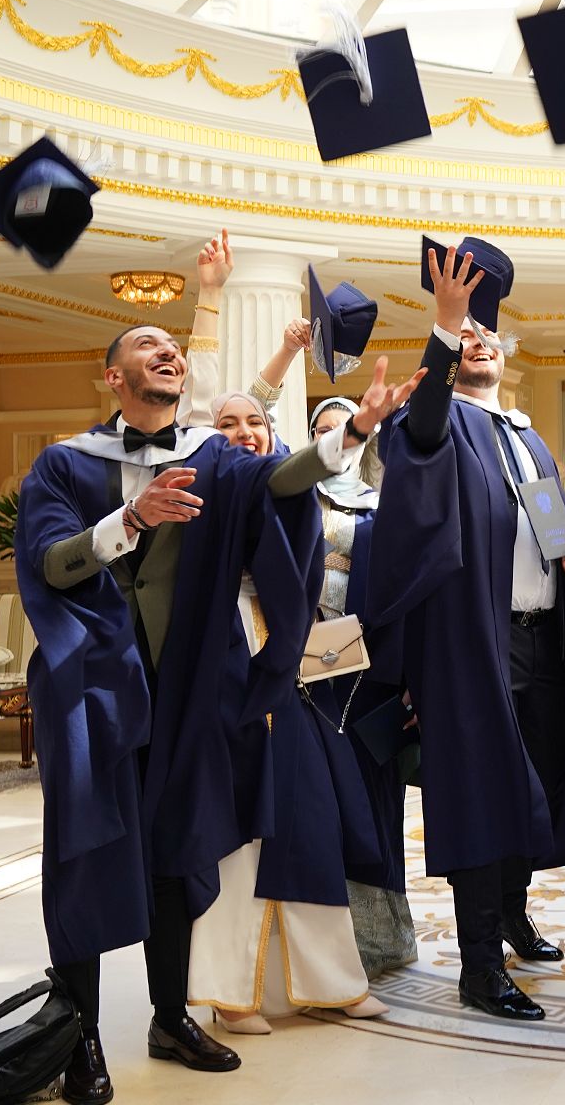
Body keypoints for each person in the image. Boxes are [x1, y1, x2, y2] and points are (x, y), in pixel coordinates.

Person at [17, 319, 415, 1104]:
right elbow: (48, 562)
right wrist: (130, 521)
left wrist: (354, 433)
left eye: (173, 344)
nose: (166, 350)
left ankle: (170, 1018)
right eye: (144, 345)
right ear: (113, 378)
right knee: (85, 861)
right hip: (92, 692)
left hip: (186, 693)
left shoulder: (211, 459)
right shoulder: (65, 463)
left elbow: (280, 481)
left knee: (178, 853)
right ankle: (79, 1040)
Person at [367, 243, 565, 1023]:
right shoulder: (432, 424)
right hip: (471, 644)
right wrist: (442, 326)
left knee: (535, 778)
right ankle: (479, 965)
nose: (477, 340)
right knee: (481, 793)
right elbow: (427, 432)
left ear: (505, 349)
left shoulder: (526, 437)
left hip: (542, 637)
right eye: (463, 336)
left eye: (484, 334)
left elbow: (549, 525)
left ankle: (512, 912)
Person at [174, 238, 386, 1033]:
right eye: (224, 425)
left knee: (305, 821)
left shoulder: (279, 482)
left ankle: (330, 979)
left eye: (255, 426)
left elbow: (269, 430)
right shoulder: (196, 479)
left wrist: (300, 375)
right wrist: (211, 297)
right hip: (218, 674)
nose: (242, 431)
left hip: (288, 677)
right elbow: (211, 406)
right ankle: (229, 993)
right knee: (233, 836)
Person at [305, 395, 417, 978]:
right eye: (325, 431)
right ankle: (322, 945)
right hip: (309, 677)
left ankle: (378, 940)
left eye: (347, 430)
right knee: (324, 805)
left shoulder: (385, 502)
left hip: (371, 678)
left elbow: (403, 590)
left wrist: (406, 678)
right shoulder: (297, 498)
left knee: (375, 806)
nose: (338, 440)